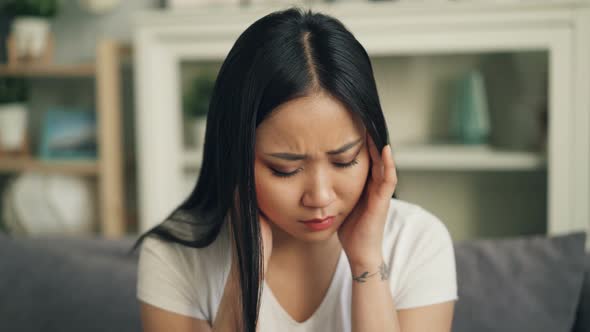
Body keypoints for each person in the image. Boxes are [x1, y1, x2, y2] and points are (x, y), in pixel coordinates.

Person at [134, 7, 458, 332]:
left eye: (344, 161)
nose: (319, 197)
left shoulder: (418, 242)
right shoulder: (174, 256)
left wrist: (367, 262)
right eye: (284, 169)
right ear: (235, 158)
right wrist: (246, 275)